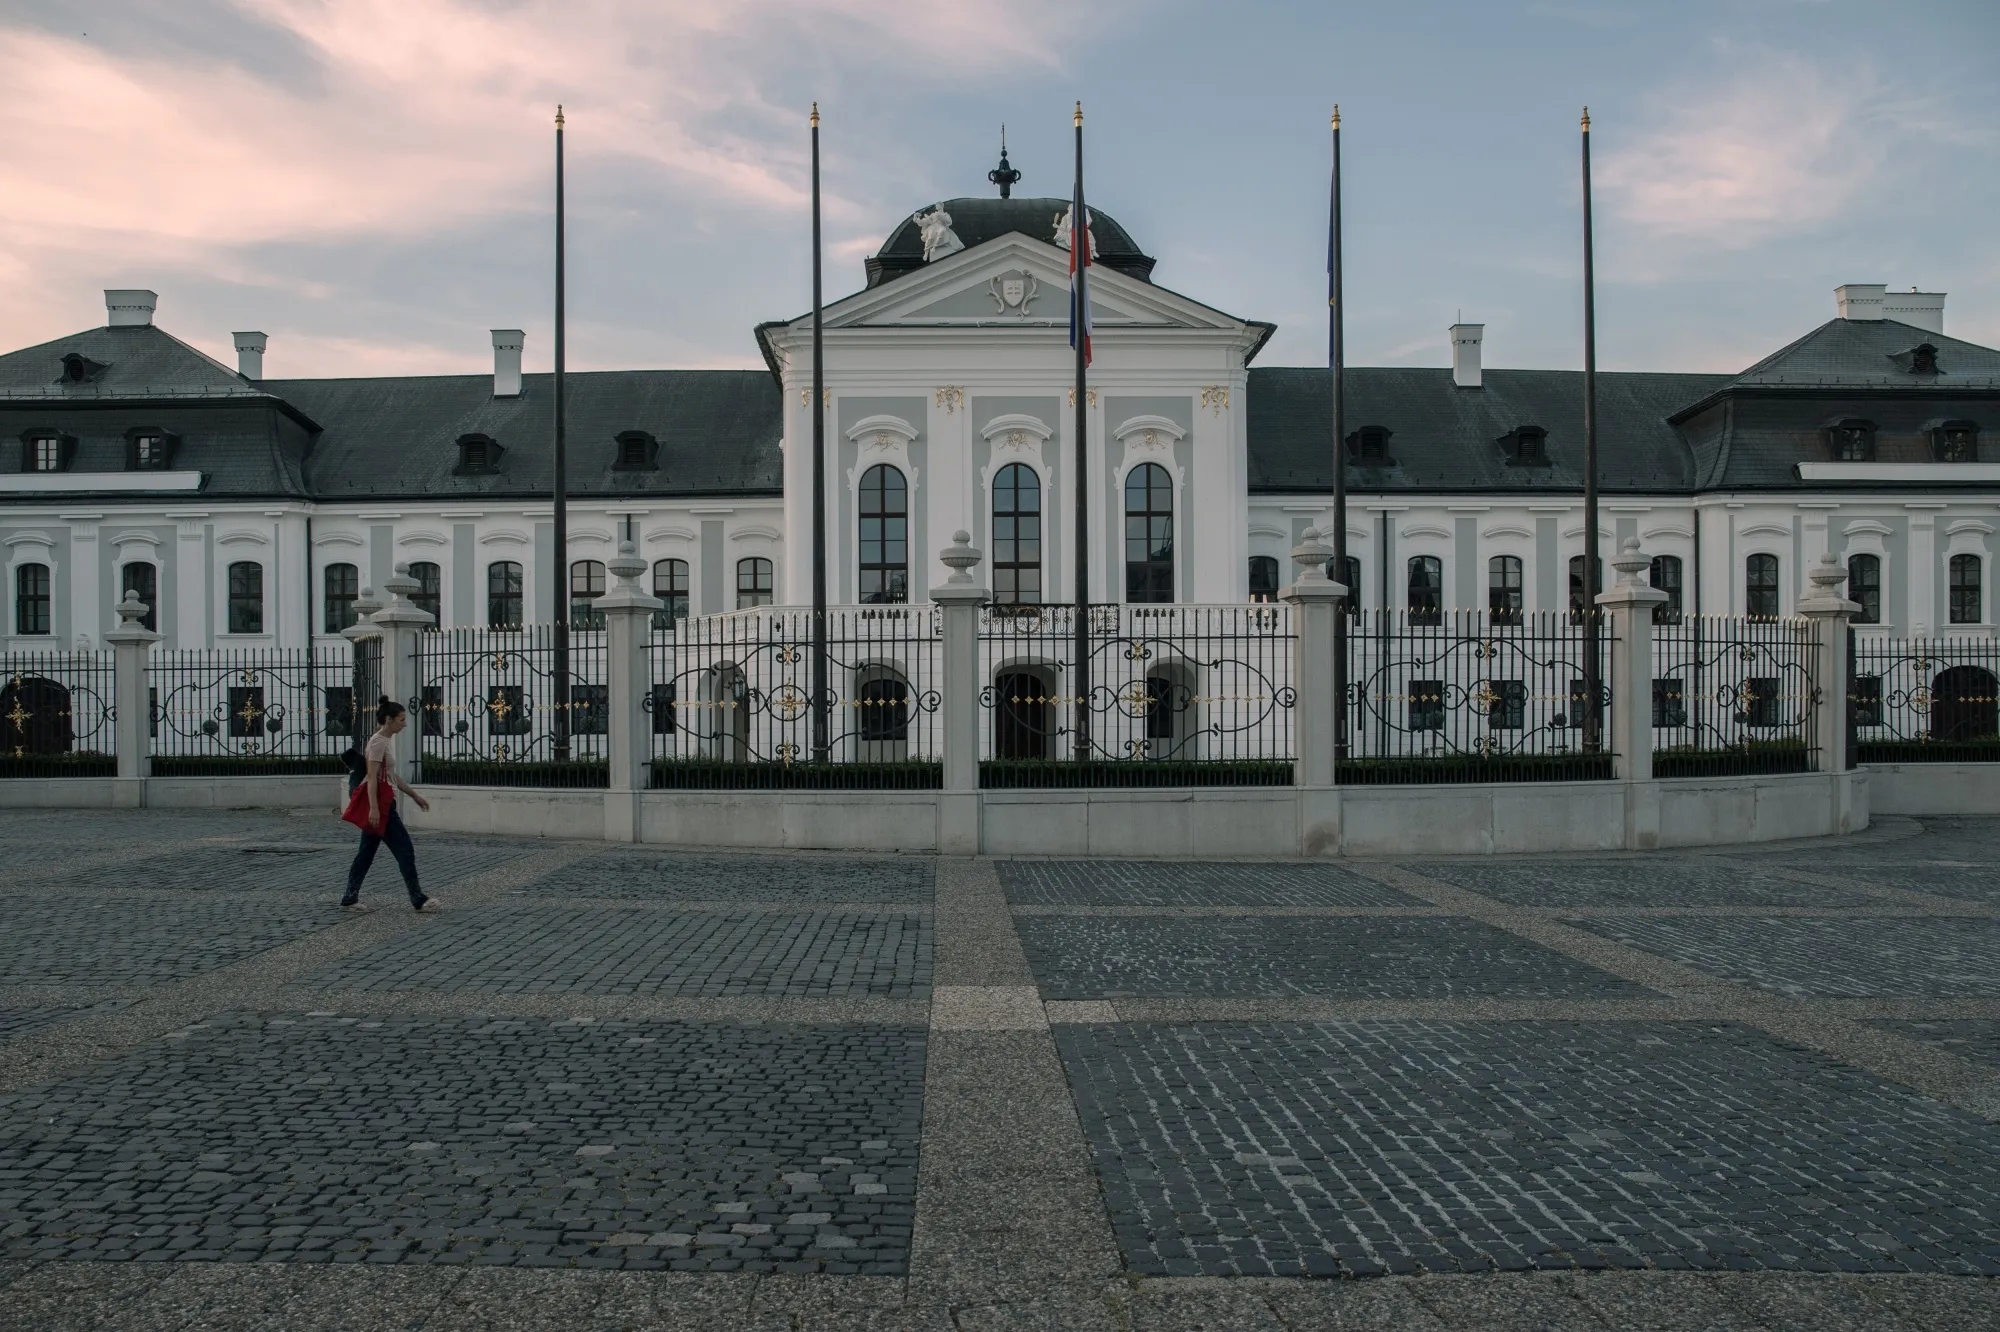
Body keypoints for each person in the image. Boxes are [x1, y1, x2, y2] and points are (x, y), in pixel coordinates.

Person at [342, 696, 440, 913]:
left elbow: (391, 776)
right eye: (401, 719)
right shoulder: (378, 743)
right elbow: (372, 777)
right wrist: (375, 809)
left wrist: (414, 795)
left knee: (366, 853)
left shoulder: (384, 741)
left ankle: (349, 897)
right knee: (404, 850)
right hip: (383, 807)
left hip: (385, 804)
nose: (404, 724)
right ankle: (418, 899)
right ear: (389, 720)